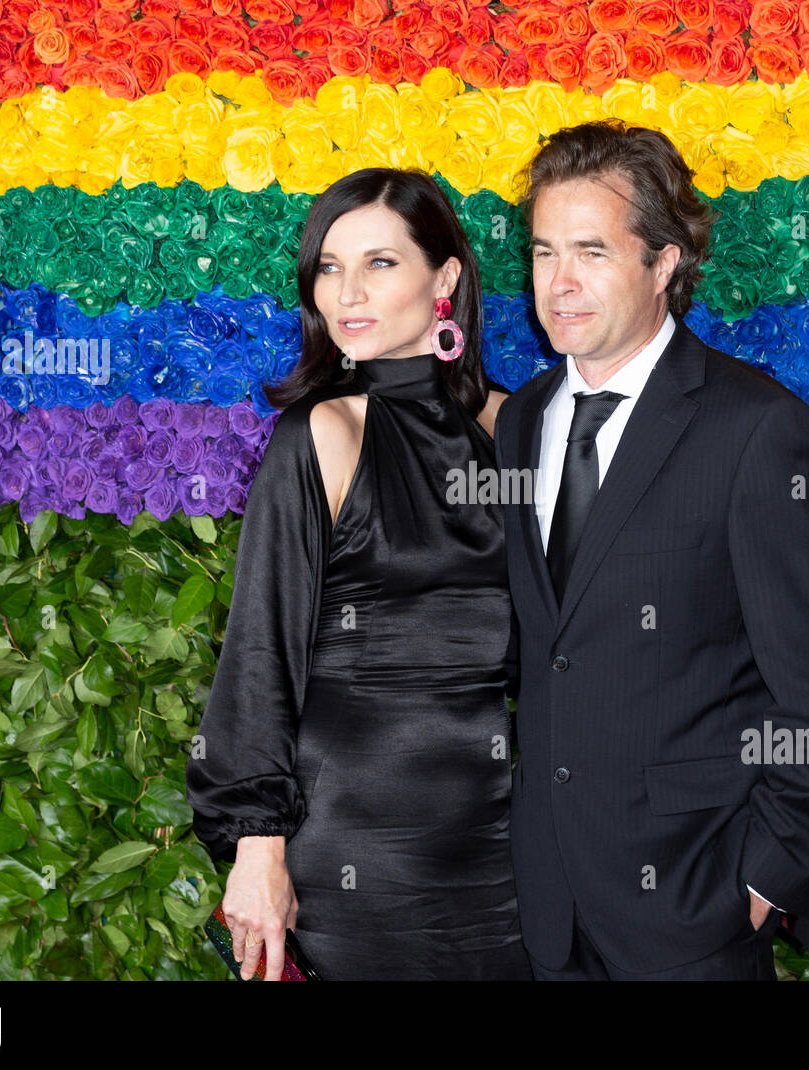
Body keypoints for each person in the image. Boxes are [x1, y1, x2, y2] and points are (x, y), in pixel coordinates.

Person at [494, 120, 809, 980]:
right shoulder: (522, 420)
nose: (559, 283)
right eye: (545, 252)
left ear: (665, 264)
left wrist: (766, 876)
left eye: (591, 251)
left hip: (696, 913)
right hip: (548, 911)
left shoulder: (759, 433)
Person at [186, 167, 531, 981]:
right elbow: (260, 655)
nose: (347, 291)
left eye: (380, 263)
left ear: (444, 278)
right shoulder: (322, 434)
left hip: (509, 845)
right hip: (357, 852)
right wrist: (256, 852)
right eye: (330, 267)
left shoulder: (519, 426)